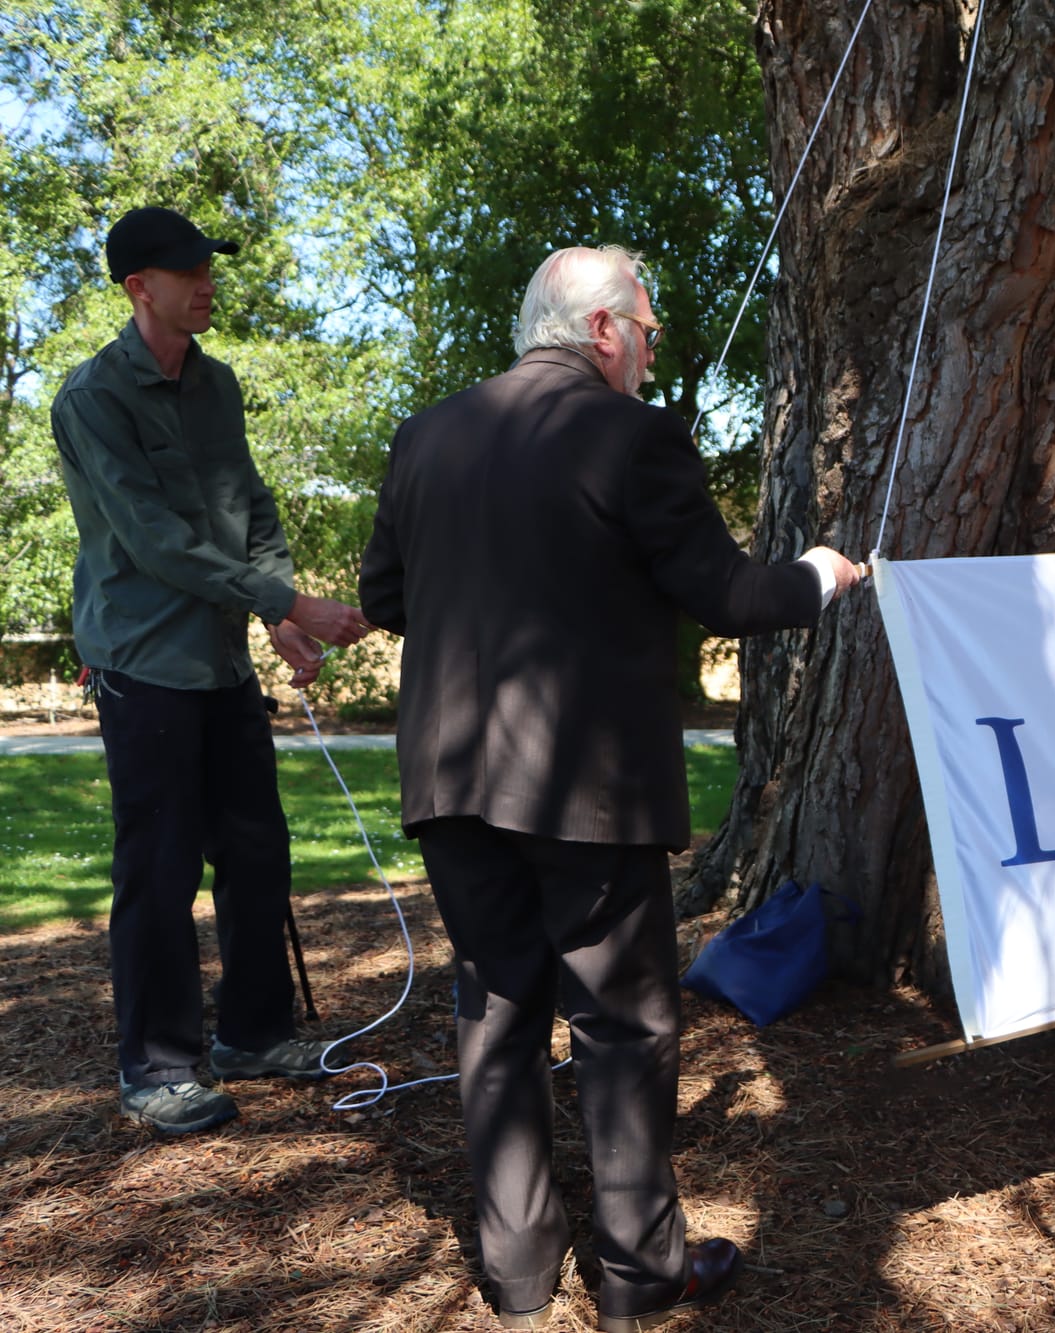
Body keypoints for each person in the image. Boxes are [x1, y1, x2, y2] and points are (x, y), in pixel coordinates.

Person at [359, 244, 859, 1331]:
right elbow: (723, 594)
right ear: (598, 330)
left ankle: (518, 1274)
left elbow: (386, 594)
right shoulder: (635, 436)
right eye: (646, 317)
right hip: (586, 787)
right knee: (622, 1029)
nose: (654, 338)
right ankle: (638, 1273)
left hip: (449, 785)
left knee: (493, 1017)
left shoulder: (426, 435)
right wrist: (819, 575)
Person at [50, 206, 372, 1135]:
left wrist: (277, 606)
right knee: (158, 866)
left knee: (256, 847)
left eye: (209, 266)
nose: (206, 281)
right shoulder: (90, 398)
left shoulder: (217, 384)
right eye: (186, 270)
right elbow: (155, 542)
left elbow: (249, 501)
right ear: (137, 286)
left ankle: (256, 1034)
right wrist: (282, 603)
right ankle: (156, 1067)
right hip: (143, 661)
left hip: (223, 659)